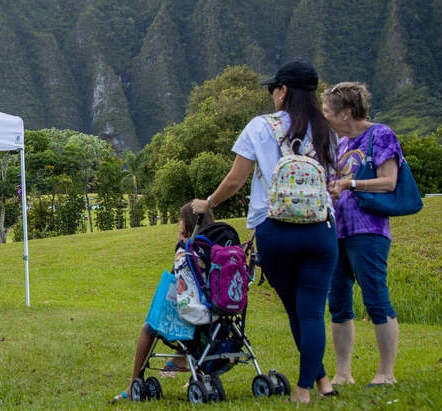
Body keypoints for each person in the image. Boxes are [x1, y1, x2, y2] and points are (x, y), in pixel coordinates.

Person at [191, 60, 338, 404]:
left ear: (283, 91)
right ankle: (317, 384)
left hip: (275, 230)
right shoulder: (327, 129)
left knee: (294, 310)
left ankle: (310, 387)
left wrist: (207, 203)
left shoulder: (260, 127)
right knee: (313, 311)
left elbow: (235, 180)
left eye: (274, 88)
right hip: (321, 230)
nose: (272, 94)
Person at [322, 82, 401, 387]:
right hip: (337, 231)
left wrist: (349, 184)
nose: (324, 116)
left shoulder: (380, 135)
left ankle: (386, 372)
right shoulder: (339, 143)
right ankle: (343, 373)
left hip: (368, 230)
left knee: (375, 297)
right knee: (338, 301)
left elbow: (389, 181)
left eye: (328, 110)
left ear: (346, 113)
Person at [114, 202, 214, 401]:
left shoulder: (186, 248)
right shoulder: (215, 247)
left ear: (189, 225)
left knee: (149, 328)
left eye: (181, 222)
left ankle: (133, 383)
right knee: (197, 331)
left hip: (189, 309)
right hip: (214, 310)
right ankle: (186, 363)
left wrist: (181, 243)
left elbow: (177, 281)